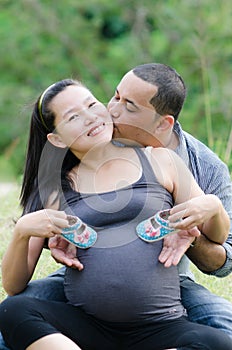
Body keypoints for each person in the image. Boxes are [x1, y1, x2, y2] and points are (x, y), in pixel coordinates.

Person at [0, 79, 231, 350]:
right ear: (57, 139)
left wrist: (212, 206)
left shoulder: (160, 160)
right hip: (88, 325)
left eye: (91, 105)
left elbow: (219, 236)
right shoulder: (54, 188)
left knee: (216, 342)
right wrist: (22, 230)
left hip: (161, 326)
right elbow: (14, 285)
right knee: (13, 310)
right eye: (74, 117)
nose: (90, 118)